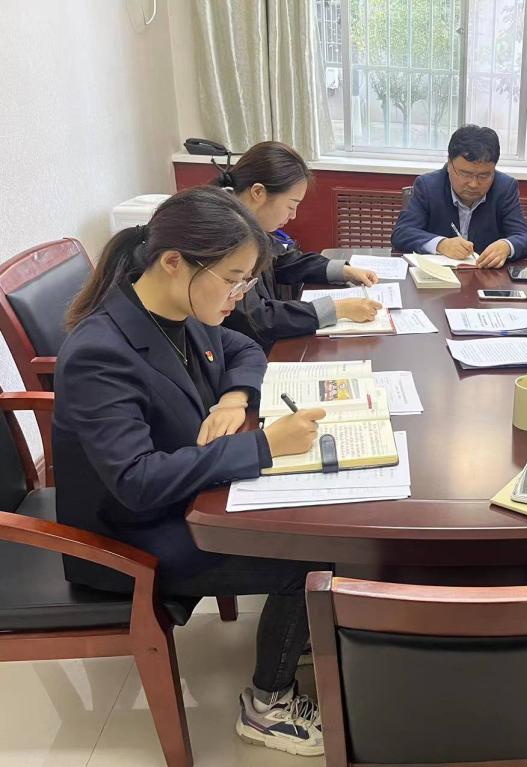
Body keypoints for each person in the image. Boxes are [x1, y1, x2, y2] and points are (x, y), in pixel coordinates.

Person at [54, 187, 331, 757]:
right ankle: (267, 708)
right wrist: (264, 447)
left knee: (315, 518)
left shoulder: (179, 311)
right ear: (174, 262)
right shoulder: (101, 353)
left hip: (185, 496)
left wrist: (234, 397)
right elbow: (137, 482)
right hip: (127, 535)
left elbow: (245, 349)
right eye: (232, 279)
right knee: (311, 555)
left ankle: (300, 629)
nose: (239, 295)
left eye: (246, 281)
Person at [213, 141, 382, 352]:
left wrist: (344, 271)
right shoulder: (223, 235)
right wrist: (338, 309)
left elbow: (284, 261)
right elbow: (256, 319)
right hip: (238, 354)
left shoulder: (247, 223)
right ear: (258, 192)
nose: (293, 216)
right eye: (291, 205)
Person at [391, 124, 527, 269]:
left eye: (484, 176)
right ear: (449, 164)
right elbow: (402, 233)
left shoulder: (505, 188)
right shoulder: (428, 186)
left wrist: (507, 246)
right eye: (465, 174)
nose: (473, 184)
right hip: (438, 277)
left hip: (486, 276)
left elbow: (524, 237)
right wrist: (441, 244)